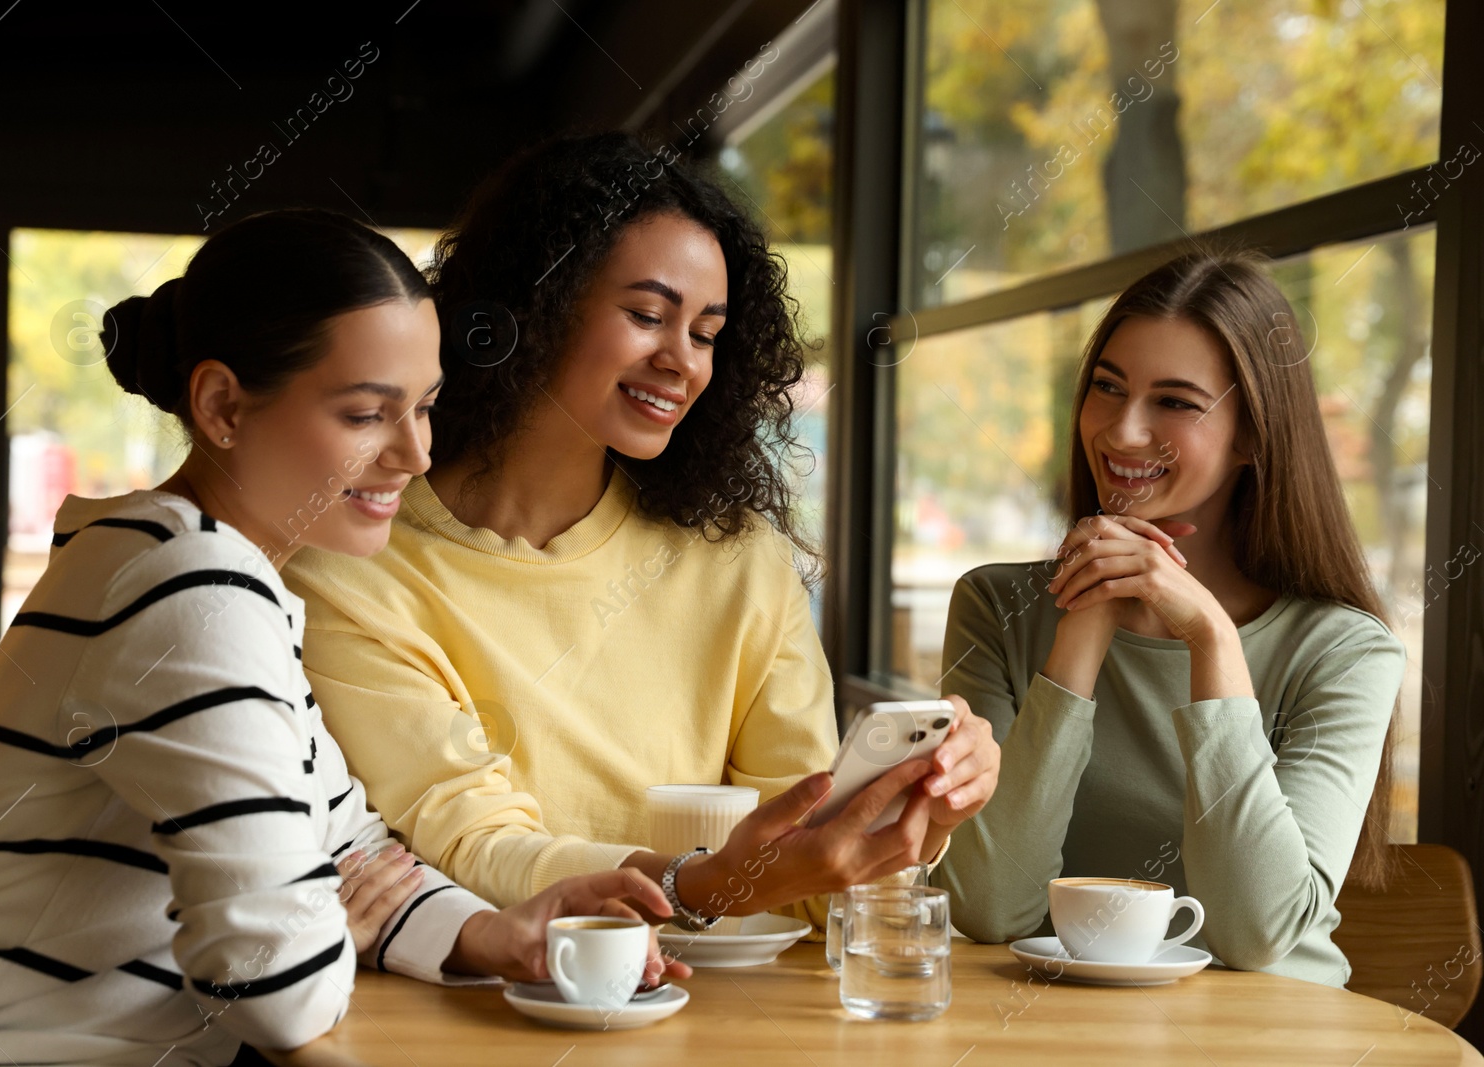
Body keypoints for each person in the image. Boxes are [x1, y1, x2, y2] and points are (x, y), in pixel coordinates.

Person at [0, 209, 684, 1067]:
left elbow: (350, 846)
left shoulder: (209, 572)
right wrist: (324, 919)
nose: (414, 453)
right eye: (365, 415)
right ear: (223, 405)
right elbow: (277, 986)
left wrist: (495, 933)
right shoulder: (188, 592)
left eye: (425, 407)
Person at [284, 132, 1001, 931]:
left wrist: (915, 809)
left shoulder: (740, 561)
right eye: (648, 315)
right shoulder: (353, 562)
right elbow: (471, 843)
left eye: (705, 333)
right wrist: (699, 884)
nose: (683, 361)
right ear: (537, 302)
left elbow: (803, 866)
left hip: (708, 1016)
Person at [933, 248, 1404, 986]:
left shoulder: (1344, 650)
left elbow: (1254, 933)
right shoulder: (995, 608)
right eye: (1107, 387)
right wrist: (1081, 633)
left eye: (1176, 402)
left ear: (1252, 434)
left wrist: (1212, 637)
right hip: (1057, 1035)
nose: (1122, 431)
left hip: (1274, 1040)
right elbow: (990, 906)